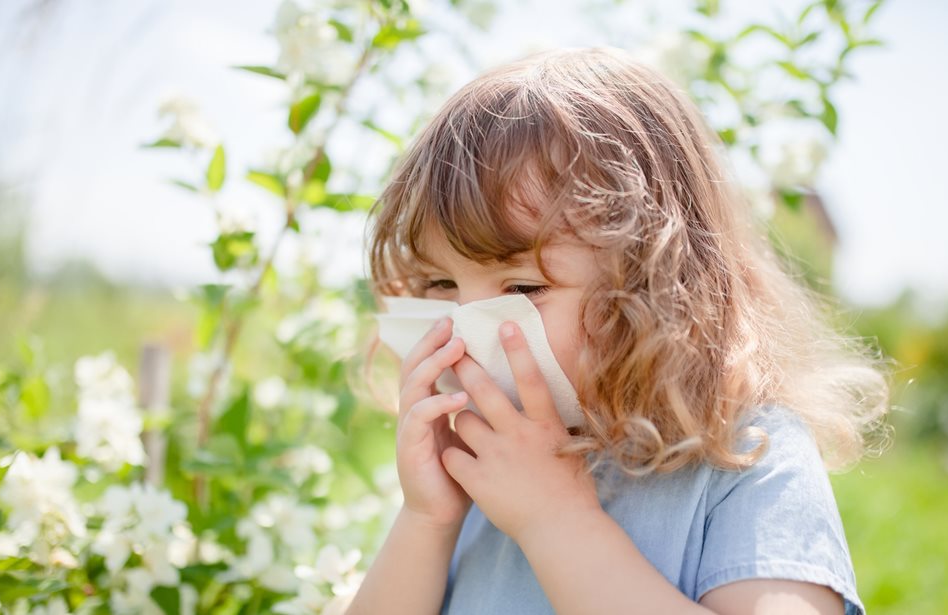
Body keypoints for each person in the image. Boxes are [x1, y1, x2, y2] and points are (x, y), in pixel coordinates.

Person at [350, 45, 892, 615]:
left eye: (522, 289)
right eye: (440, 284)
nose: (466, 332)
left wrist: (556, 520)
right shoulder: (479, 464)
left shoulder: (746, 454)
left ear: (654, 285)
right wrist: (428, 519)